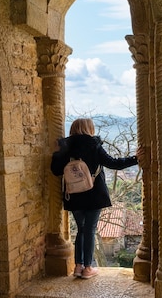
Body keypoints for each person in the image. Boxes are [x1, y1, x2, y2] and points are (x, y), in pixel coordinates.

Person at [50, 118, 142, 279]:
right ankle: (87, 267)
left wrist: (57, 154)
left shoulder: (65, 147)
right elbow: (114, 163)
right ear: (89, 129)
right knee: (90, 229)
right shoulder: (94, 145)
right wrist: (135, 158)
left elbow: (56, 170)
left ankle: (77, 266)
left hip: (73, 195)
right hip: (93, 194)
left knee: (81, 230)